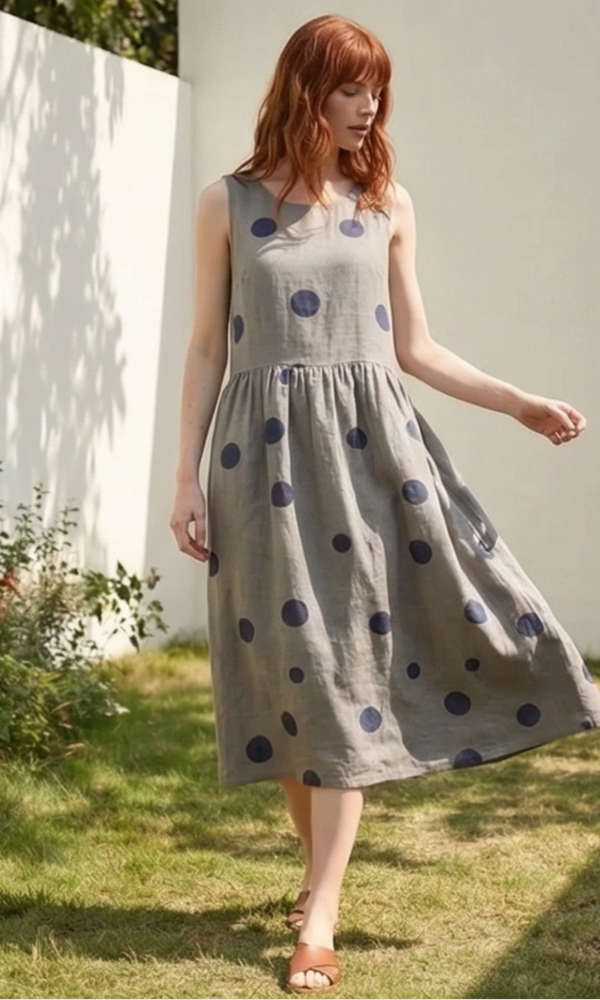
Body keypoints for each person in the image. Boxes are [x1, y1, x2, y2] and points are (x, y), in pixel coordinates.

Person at [169, 14, 600, 992]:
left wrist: (520, 401)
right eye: (350, 89)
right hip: (256, 460)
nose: (368, 108)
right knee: (291, 679)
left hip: (367, 458)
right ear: (304, 91)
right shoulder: (225, 203)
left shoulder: (387, 203)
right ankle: (319, 871)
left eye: (376, 91)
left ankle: (321, 909)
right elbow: (205, 348)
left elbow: (416, 346)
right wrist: (184, 477)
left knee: (348, 672)